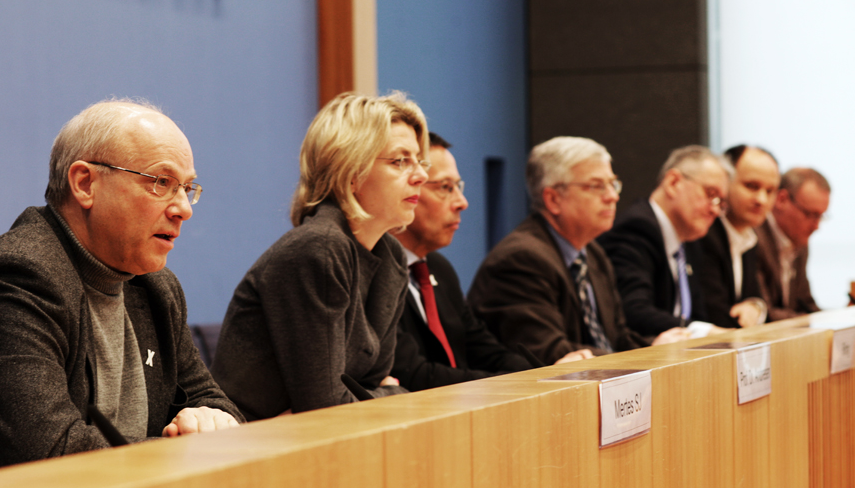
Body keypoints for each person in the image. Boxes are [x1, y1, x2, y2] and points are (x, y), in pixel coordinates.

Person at [0, 100, 242, 488]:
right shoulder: (14, 279)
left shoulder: (155, 287)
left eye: (188, 189)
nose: (183, 209)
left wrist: (212, 420)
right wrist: (189, 451)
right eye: (161, 183)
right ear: (85, 183)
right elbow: (54, 458)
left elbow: (213, 402)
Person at [210, 92, 427, 420]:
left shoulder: (391, 257)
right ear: (351, 171)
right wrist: (390, 393)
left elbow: (367, 385)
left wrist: (386, 392)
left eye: (418, 160)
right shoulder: (319, 249)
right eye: (400, 161)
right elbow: (326, 411)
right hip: (253, 450)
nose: (420, 175)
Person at [389, 134, 590, 392]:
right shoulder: (372, 273)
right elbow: (413, 376)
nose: (462, 202)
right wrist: (516, 384)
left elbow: (486, 350)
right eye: (444, 188)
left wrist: (546, 374)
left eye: (458, 187)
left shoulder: (438, 269)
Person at [467, 137, 687, 366]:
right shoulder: (521, 259)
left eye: (613, 184)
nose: (612, 196)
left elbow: (618, 338)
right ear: (553, 199)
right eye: (596, 186)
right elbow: (552, 352)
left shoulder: (592, 253)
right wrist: (642, 360)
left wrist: (655, 348)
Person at [599, 146, 731, 337]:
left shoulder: (690, 241)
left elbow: (697, 313)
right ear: (673, 182)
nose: (715, 210)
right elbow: (634, 312)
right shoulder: (636, 229)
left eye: (720, 202)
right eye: (710, 194)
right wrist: (703, 332)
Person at [694, 145, 779, 328]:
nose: (761, 200)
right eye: (751, 186)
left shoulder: (749, 236)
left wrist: (757, 307)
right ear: (725, 182)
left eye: (770, 191)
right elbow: (718, 317)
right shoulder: (705, 233)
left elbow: (755, 300)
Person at [755, 167, 830, 320]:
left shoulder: (799, 241)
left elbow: (805, 303)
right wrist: (807, 321)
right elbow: (763, 313)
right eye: (811, 214)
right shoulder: (753, 238)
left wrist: (838, 319)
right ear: (781, 199)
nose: (816, 226)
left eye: (821, 216)